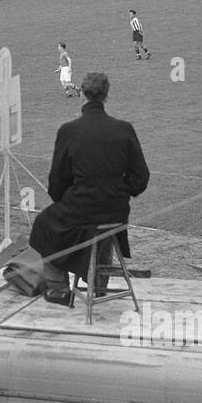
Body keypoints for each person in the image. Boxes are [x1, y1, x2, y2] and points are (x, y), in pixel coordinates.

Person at [29, 72, 150, 307]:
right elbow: (141, 177)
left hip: (81, 206)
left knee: (45, 223)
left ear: (82, 95)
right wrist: (121, 191)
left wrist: (67, 198)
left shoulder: (69, 131)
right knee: (102, 232)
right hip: (115, 209)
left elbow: (56, 180)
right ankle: (98, 284)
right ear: (106, 96)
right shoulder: (123, 129)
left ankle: (58, 288)